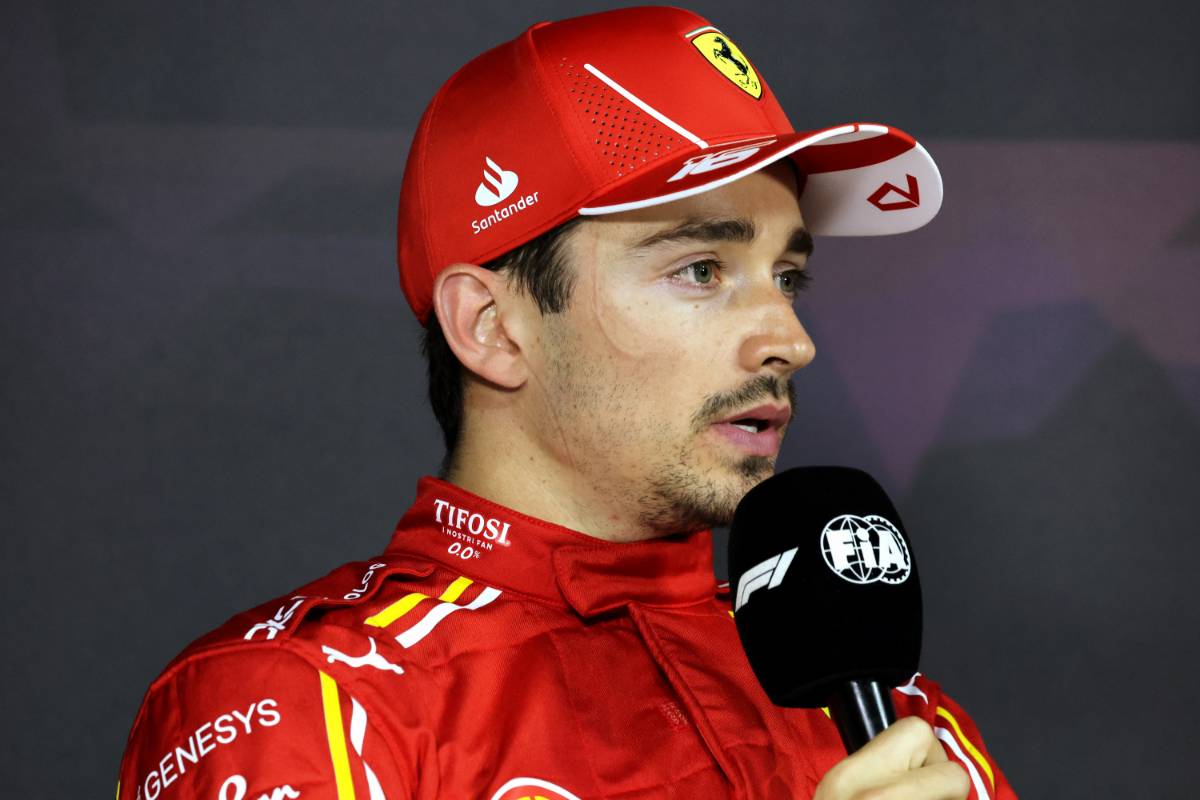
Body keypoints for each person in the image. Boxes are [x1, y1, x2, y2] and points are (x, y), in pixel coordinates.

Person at [117, 7, 1016, 800]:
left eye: (787, 276)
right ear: (493, 329)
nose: (790, 339)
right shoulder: (301, 706)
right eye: (700, 270)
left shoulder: (893, 721)